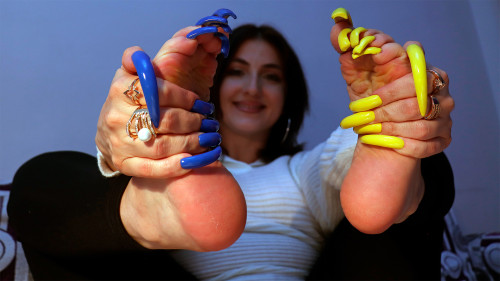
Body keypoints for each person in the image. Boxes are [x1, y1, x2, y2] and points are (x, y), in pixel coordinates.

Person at [7, 8, 455, 280]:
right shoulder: (153, 169)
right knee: (44, 178)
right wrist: (118, 155)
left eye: (272, 76)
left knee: (407, 171)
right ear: (216, 82)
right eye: (238, 70)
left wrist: (395, 130)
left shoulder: (306, 170)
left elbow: (344, 160)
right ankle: (144, 210)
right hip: (165, 259)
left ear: (289, 94)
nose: (253, 88)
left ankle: (394, 147)